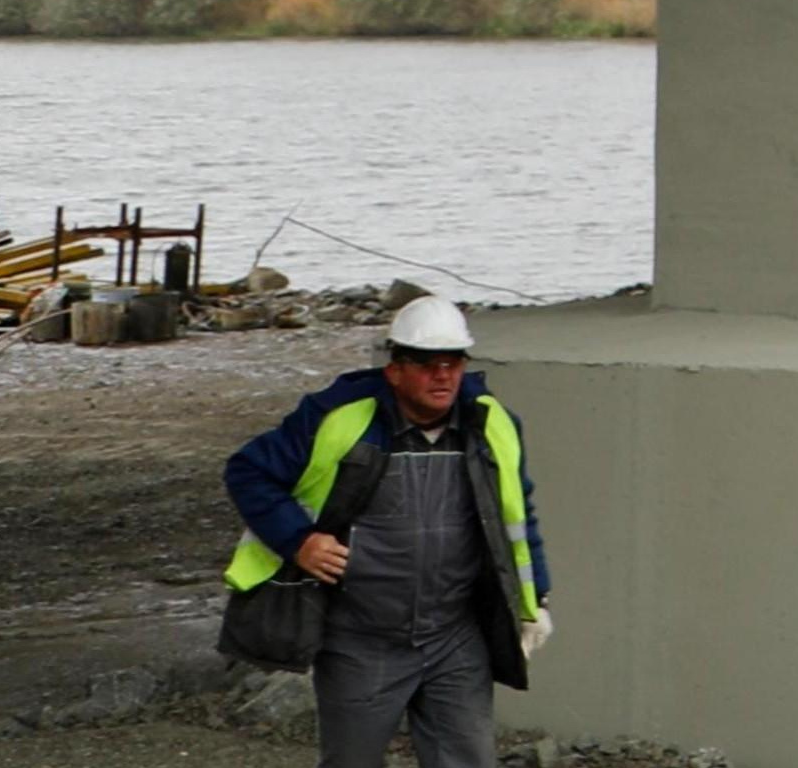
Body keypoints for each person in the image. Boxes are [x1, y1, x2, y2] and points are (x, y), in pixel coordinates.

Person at [220, 295, 553, 768]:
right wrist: (300, 541)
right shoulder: (340, 417)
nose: (443, 375)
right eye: (426, 364)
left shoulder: (492, 424)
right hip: (360, 638)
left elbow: (519, 517)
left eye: (453, 362)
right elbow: (248, 472)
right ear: (395, 369)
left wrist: (535, 599)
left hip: (455, 636)